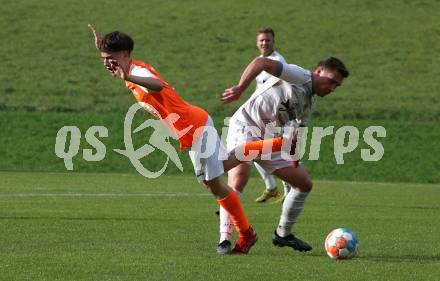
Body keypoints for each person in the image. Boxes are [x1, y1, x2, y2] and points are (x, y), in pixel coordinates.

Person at [87, 24, 267, 254]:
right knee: (220, 170)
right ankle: (275, 146)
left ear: (123, 55)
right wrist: (105, 52)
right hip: (195, 125)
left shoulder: (137, 73)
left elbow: (157, 84)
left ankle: (246, 234)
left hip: (195, 129)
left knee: (216, 185)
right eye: (103, 59)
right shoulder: (131, 68)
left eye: (110, 58)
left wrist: (129, 74)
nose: (106, 64)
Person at [217, 55, 349, 254]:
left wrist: (294, 157)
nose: (332, 88)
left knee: (303, 184)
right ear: (319, 71)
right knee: (239, 178)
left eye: (336, 86)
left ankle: (283, 234)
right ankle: (224, 241)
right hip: (246, 125)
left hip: (270, 138)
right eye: (331, 82)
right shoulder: (300, 76)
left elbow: (297, 130)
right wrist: (240, 89)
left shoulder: (310, 102)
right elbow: (261, 63)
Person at [253, 27, 291, 204]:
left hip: (275, 114)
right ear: (257, 42)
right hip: (260, 115)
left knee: (277, 153)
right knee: (253, 151)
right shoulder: (260, 61)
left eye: (267, 40)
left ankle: (287, 191)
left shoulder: (277, 61)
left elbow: (280, 89)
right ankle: (271, 188)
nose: (264, 43)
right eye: (261, 40)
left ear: (273, 42)